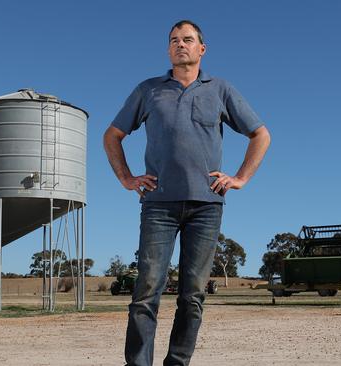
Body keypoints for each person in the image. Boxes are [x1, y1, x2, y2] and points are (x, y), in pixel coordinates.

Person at [103, 20, 271, 366]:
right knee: (146, 290)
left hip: (206, 205)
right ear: (168, 50)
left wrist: (240, 178)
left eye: (188, 40)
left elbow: (261, 134)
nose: (181, 44)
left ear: (201, 49)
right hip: (158, 205)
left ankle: (177, 362)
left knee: (192, 294)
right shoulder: (148, 90)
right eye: (175, 40)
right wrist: (126, 178)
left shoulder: (221, 89)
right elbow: (112, 135)